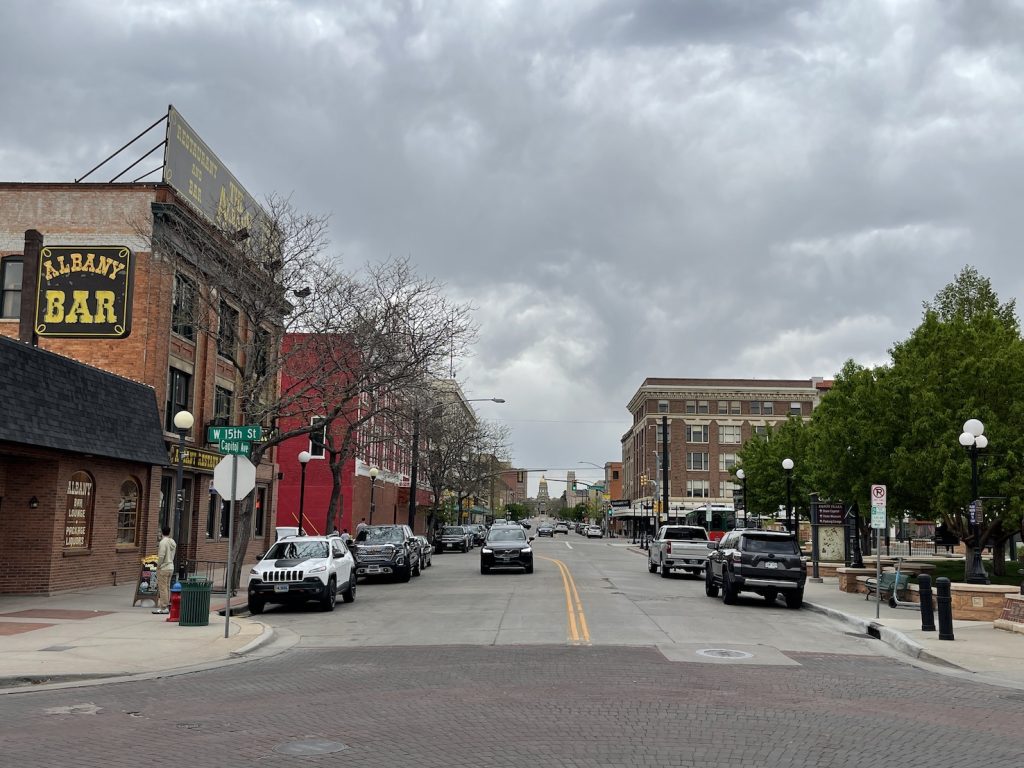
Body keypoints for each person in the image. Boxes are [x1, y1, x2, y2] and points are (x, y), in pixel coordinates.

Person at [153, 526, 175, 615]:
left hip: (163, 568)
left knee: (163, 588)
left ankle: (164, 607)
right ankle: (167, 605)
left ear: (162, 532)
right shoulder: (172, 542)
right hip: (171, 566)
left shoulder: (163, 542)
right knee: (167, 587)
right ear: (169, 532)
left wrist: (158, 566)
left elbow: (161, 556)